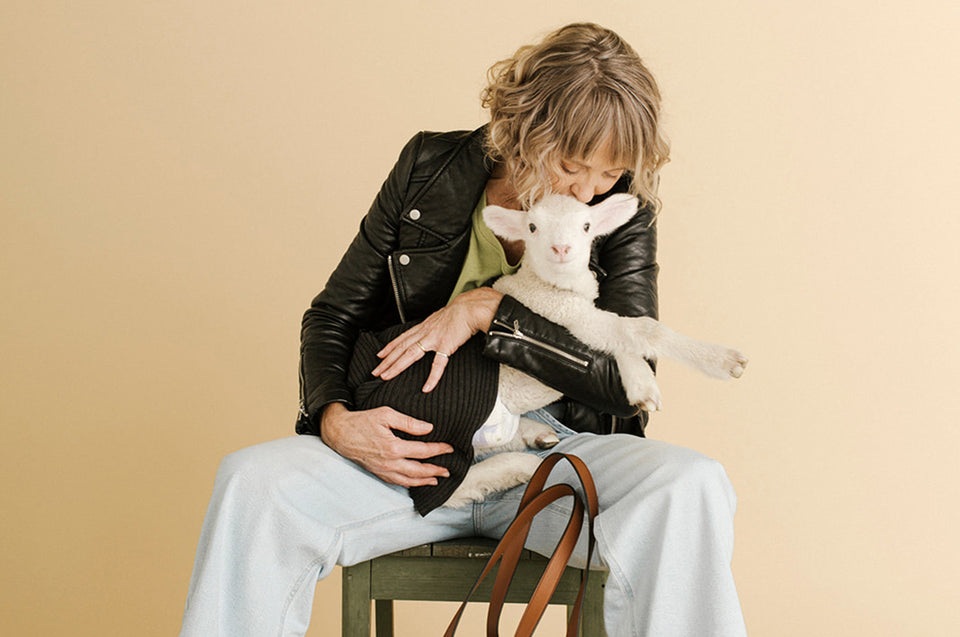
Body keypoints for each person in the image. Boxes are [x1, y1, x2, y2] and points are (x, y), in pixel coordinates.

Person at [180, 22, 747, 637]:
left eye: (608, 175)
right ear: (527, 131)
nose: (588, 190)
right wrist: (334, 420)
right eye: (571, 164)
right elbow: (332, 315)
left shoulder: (622, 214)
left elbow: (624, 382)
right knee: (251, 483)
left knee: (692, 485)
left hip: (550, 458)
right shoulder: (430, 166)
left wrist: (491, 314)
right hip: (410, 456)